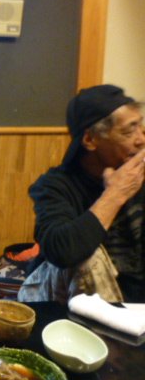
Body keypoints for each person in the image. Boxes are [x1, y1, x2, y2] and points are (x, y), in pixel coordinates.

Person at [19, 85, 145, 303]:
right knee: (87, 256)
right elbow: (62, 251)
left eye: (141, 128)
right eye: (128, 132)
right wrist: (115, 194)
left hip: (135, 307)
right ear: (90, 140)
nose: (141, 139)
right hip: (66, 305)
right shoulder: (54, 185)